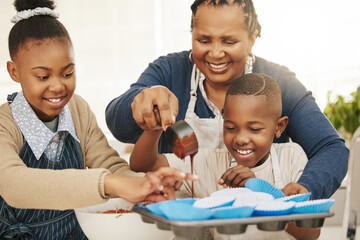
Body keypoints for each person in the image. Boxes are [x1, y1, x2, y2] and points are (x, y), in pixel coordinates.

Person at [106, 0, 348, 200]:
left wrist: (306, 188)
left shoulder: (278, 82)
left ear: (252, 38)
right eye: (204, 40)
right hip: (182, 224)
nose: (215, 52)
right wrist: (139, 102)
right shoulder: (169, 71)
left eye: (229, 41)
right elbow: (118, 125)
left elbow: (331, 149)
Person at [0, 0, 197, 239]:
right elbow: (14, 184)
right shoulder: (5, 124)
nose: (57, 86)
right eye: (42, 76)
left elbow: (110, 166)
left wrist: (149, 183)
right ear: (14, 72)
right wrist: (109, 184)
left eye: (68, 73)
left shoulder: (77, 109)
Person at [130, 73, 320, 239]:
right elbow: (143, 164)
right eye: (230, 127)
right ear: (223, 118)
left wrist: (260, 194)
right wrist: (153, 129)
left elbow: (311, 233)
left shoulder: (292, 157)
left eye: (254, 129)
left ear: (279, 126)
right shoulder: (209, 163)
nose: (241, 139)